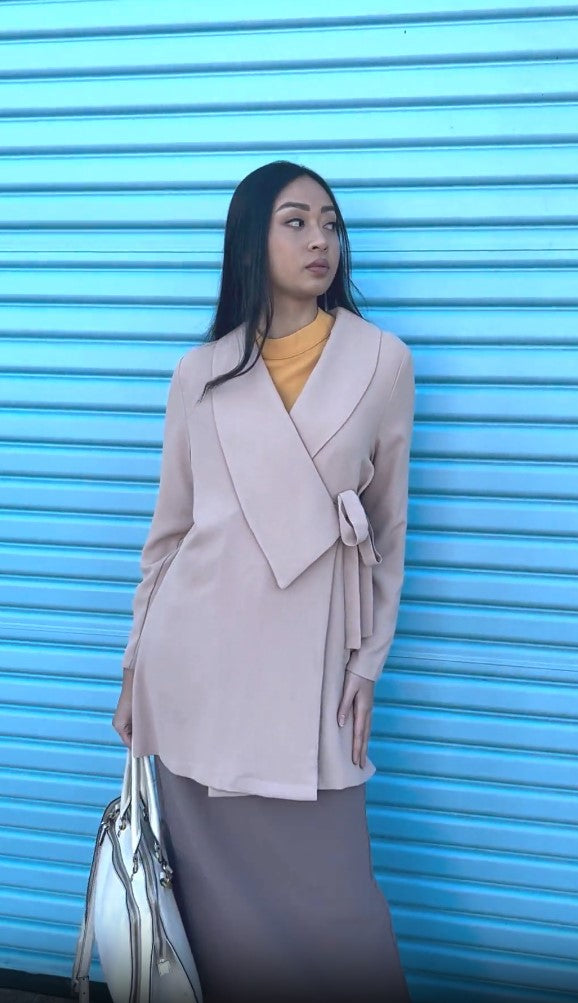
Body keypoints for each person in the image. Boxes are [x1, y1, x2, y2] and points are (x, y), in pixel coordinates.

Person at [112, 159, 414, 1003]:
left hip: (311, 667)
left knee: (336, 904)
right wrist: (136, 669)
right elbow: (167, 536)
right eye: (295, 220)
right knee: (217, 911)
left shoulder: (381, 361)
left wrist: (366, 667)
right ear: (253, 236)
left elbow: (388, 532)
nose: (320, 238)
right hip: (195, 670)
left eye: (329, 221)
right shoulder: (199, 373)